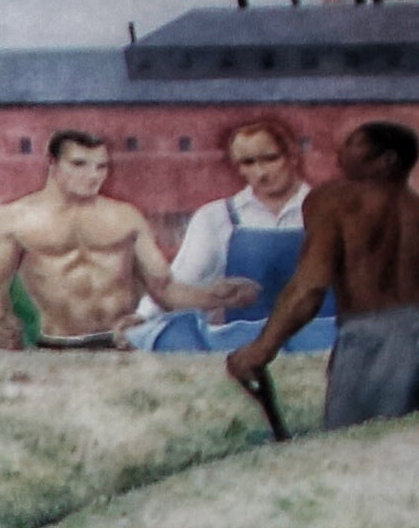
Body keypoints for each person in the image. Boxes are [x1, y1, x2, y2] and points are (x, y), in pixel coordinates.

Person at [230, 120, 419, 429]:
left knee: (355, 458)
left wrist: (263, 348)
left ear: (387, 160)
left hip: (373, 344)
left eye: (354, 142)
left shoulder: (334, 201)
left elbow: (310, 286)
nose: (341, 149)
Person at [141, 116, 332, 363]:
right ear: (237, 167)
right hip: (247, 349)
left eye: (270, 159)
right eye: (248, 163)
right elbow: (182, 279)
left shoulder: (331, 211)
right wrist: (142, 317)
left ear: (292, 156)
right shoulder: (217, 217)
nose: (261, 173)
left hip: (321, 347)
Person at [0, 130, 172, 348]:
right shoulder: (14, 219)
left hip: (123, 342)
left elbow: (163, 285)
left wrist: (209, 296)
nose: (92, 175)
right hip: (58, 343)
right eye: (79, 164)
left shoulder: (127, 216)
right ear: (53, 163)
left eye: (101, 166)